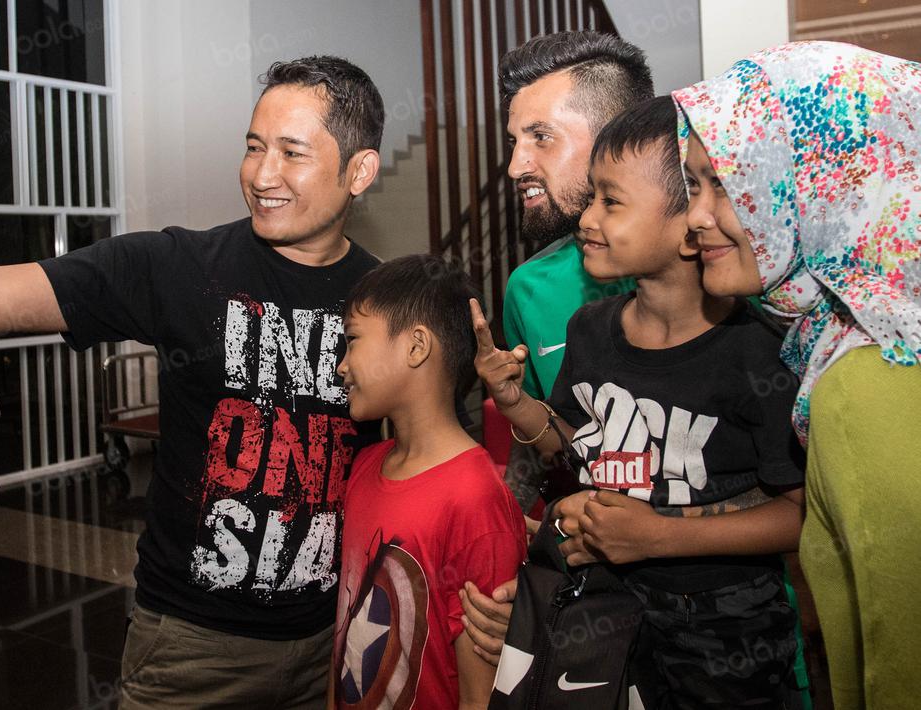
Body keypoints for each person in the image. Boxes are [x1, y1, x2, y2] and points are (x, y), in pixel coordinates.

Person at [0, 57, 514, 707]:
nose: (261, 172)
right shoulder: (174, 266)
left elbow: (429, 463)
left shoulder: (382, 302)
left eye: (292, 153)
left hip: (336, 634)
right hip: (192, 648)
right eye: (252, 144)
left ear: (361, 169)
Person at [475, 95, 807, 707]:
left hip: (725, 639)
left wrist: (658, 536)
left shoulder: (757, 352)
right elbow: (577, 446)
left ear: (688, 227)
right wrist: (518, 403)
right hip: (609, 612)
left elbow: (802, 516)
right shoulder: (590, 330)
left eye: (611, 201)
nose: (586, 218)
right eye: (592, 196)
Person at [674, 41, 921, 709]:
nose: (694, 217)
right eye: (692, 185)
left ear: (826, 181)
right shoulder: (887, 343)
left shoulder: (863, 382)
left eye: (724, 182)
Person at [460, 29, 651, 667]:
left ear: (619, 139)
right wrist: (508, 540)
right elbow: (548, 443)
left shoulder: (720, 270)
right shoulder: (528, 287)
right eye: (514, 141)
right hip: (589, 606)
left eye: (541, 137)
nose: (515, 166)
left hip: (717, 622)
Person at [330, 255, 526, 709]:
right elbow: (346, 643)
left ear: (417, 347)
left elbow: (483, 696)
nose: (342, 365)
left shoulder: (474, 499)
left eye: (353, 341)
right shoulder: (365, 466)